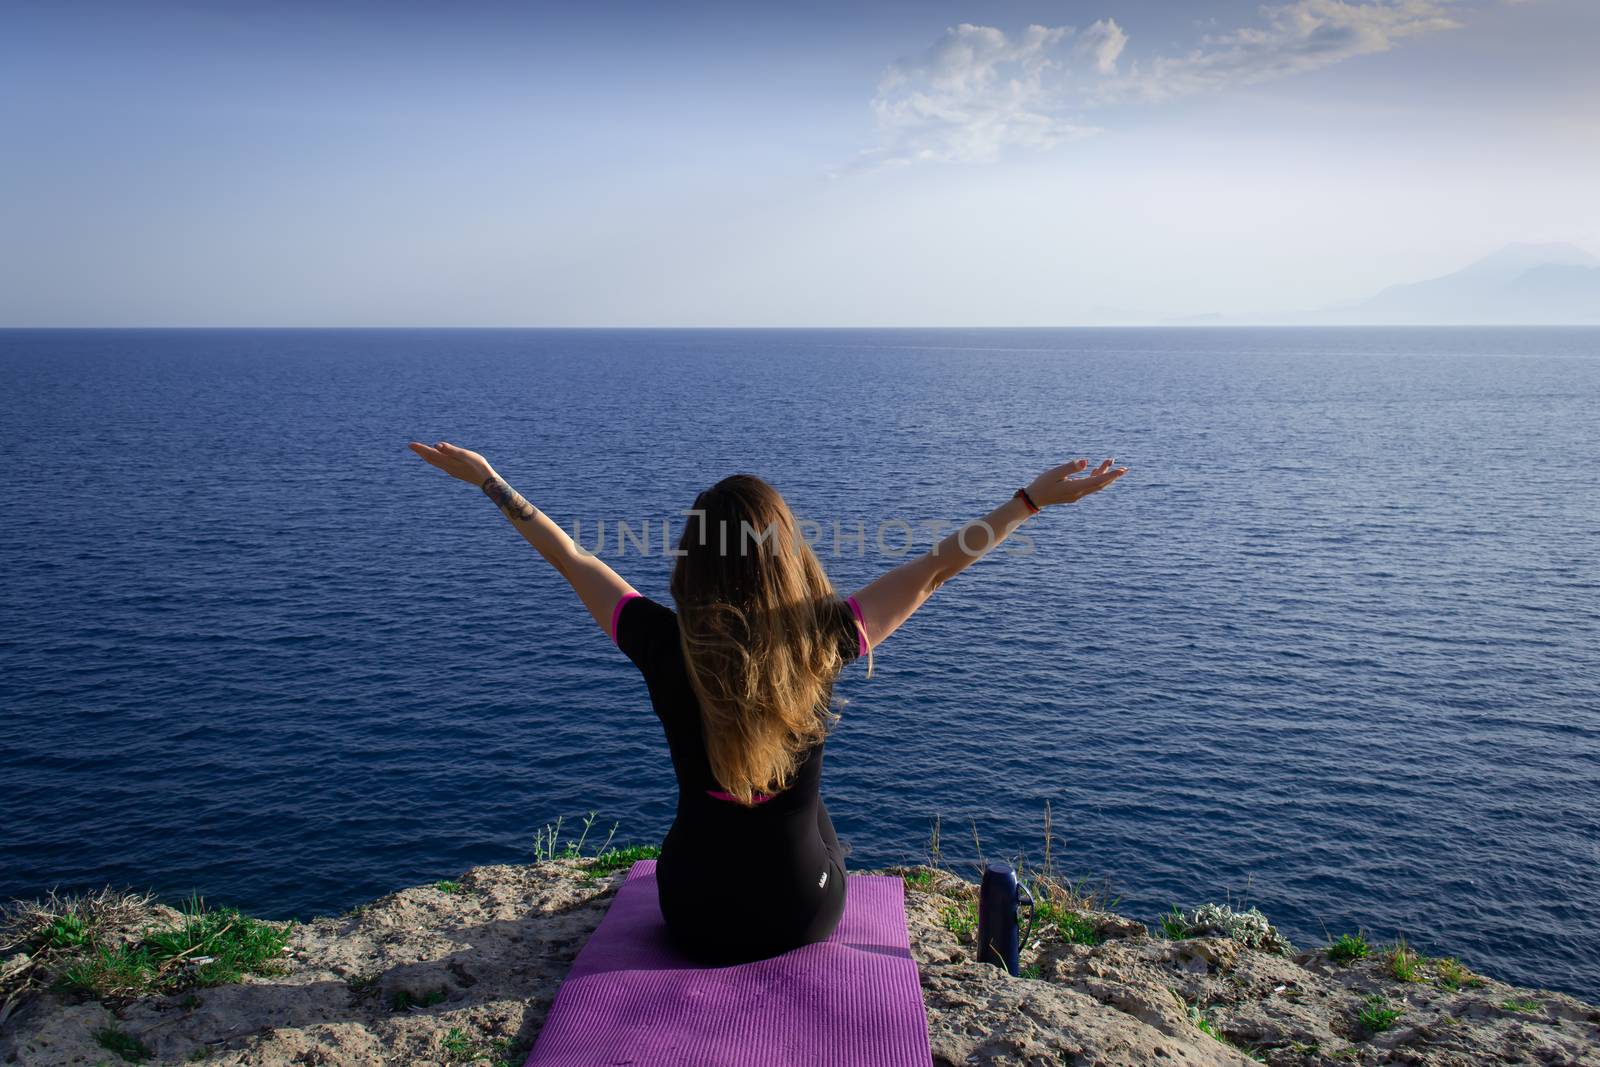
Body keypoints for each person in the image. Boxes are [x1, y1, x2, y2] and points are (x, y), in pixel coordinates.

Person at [408, 439, 1128, 964]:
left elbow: (572, 557)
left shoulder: (663, 644)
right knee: (814, 816)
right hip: (802, 910)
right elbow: (938, 568)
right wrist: (1029, 501)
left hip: (690, 913)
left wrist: (490, 481)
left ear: (690, 563)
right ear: (788, 558)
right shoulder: (825, 639)